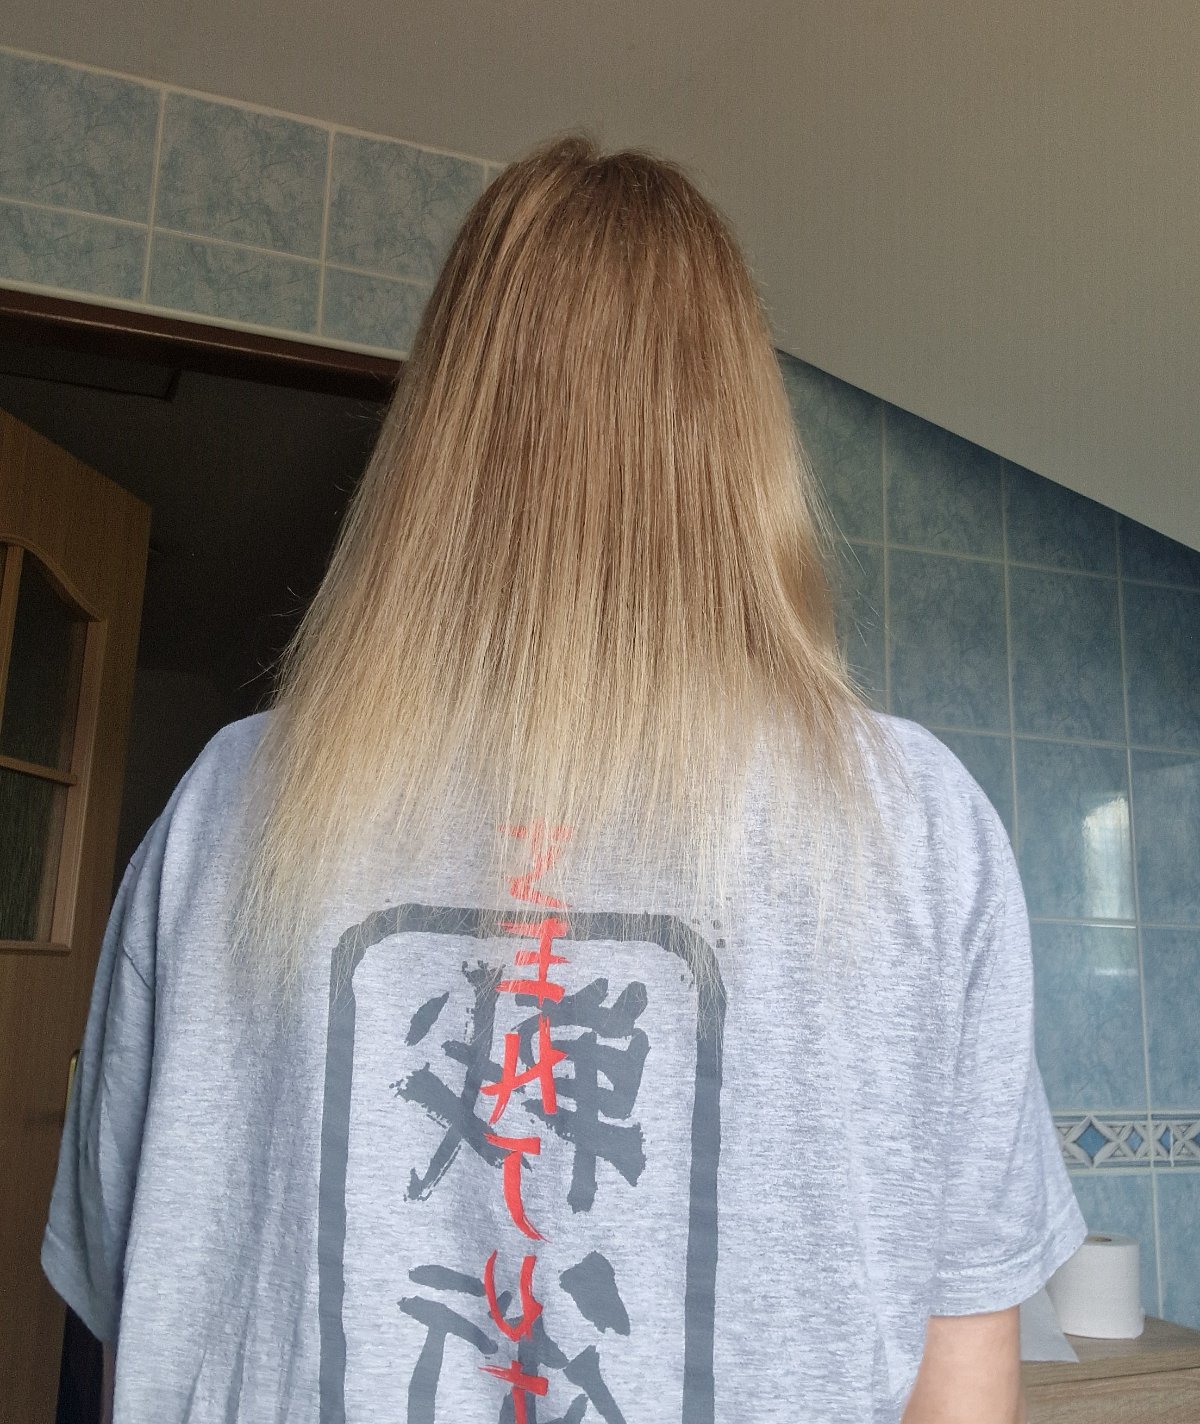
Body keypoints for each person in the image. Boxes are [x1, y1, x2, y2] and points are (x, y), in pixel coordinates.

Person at [42, 137, 1084, 1423]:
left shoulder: (225, 806)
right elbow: (962, 1375)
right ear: (741, 445)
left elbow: (134, 1317)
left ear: (440, 431)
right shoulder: (916, 825)